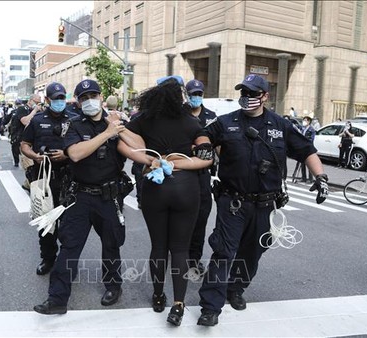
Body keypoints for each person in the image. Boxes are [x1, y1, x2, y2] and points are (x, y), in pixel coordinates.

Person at [196, 74, 328, 326]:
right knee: (223, 253)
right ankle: (210, 307)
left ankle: (236, 288)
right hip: (232, 202)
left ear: (265, 96)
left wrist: (320, 176)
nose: (247, 98)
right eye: (243, 93)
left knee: (252, 252)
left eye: (252, 93)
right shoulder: (226, 122)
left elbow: (307, 150)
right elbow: (203, 135)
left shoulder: (281, 125)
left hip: (266, 204)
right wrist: (203, 145)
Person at [117, 75, 213, 326]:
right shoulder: (191, 122)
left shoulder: (143, 120)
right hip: (186, 188)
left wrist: (150, 160)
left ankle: (158, 295)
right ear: (180, 97)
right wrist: (182, 161)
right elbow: (206, 152)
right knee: (180, 249)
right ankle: (179, 304)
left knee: (159, 246)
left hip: (155, 186)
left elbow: (122, 146)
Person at [33, 79, 129, 315]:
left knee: (111, 245)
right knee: (69, 247)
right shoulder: (74, 125)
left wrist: (120, 128)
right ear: (77, 101)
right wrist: (107, 133)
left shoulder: (116, 122)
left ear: (101, 96)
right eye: (83, 98)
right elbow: (75, 154)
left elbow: (138, 148)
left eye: (92, 96)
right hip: (81, 196)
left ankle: (113, 285)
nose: (89, 101)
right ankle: (57, 299)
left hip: (109, 195)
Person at [21, 83, 73, 275]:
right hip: (43, 176)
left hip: (69, 177)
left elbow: (82, 146)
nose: (59, 101)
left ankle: (66, 260)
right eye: (55, 98)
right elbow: (24, 144)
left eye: (62, 98)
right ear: (48, 100)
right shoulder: (37, 120)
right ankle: (48, 258)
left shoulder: (74, 119)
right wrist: (35, 156)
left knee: (68, 223)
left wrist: (67, 155)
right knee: (45, 222)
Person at [185, 79, 217, 275]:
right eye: (192, 94)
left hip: (203, 174)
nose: (195, 97)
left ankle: (194, 259)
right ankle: (177, 252)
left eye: (198, 94)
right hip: (182, 172)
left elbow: (216, 144)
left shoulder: (211, 117)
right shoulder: (179, 115)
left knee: (200, 219)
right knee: (180, 217)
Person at [292, 116, 316, 183]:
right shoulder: (303, 128)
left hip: (308, 148)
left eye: (305, 120)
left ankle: (310, 179)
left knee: (309, 164)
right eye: (304, 120)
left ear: (309, 121)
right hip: (302, 148)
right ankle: (303, 177)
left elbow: (311, 139)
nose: (304, 122)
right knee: (302, 164)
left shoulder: (311, 130)